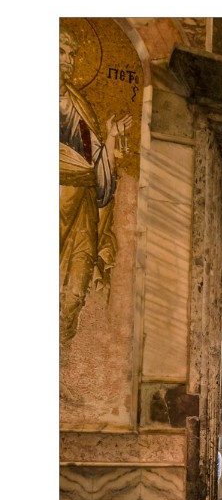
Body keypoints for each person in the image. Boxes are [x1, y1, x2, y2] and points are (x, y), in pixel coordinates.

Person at [59, 24, 133, 369]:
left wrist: (112, 138)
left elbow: (93, 161)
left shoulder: (78, 107)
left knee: (75, 290)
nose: (68, 60)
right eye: (60, 52)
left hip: (83, 209)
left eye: (71, 54)